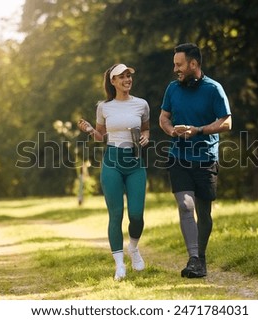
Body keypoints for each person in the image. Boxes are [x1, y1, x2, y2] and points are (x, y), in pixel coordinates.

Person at [159, 43, 232, 278]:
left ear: (193, 64)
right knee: (185, 205)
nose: (175, 69)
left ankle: (201, 258)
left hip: (205, 158)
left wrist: (198, 130)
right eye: (174, 65)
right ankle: (193, 259)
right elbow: (163, 118)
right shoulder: (172, 89)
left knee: (204, 211)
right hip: (178, 156)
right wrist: (172, 132)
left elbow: (227, 122)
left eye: (179, 65)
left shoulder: (213, 89)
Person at [78, 63, 150, 281]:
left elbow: (146, 128)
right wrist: (91, 130)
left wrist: (146, 136)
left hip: (135, 163)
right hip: (112, 162)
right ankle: (119, 265)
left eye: (129, 76)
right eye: (122, 77)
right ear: (113, 81)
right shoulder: (104, 107)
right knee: (116, 214)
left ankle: (134, 248)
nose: (127, 80)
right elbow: (101, 136)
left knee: (136, 215)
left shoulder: (141, 104)